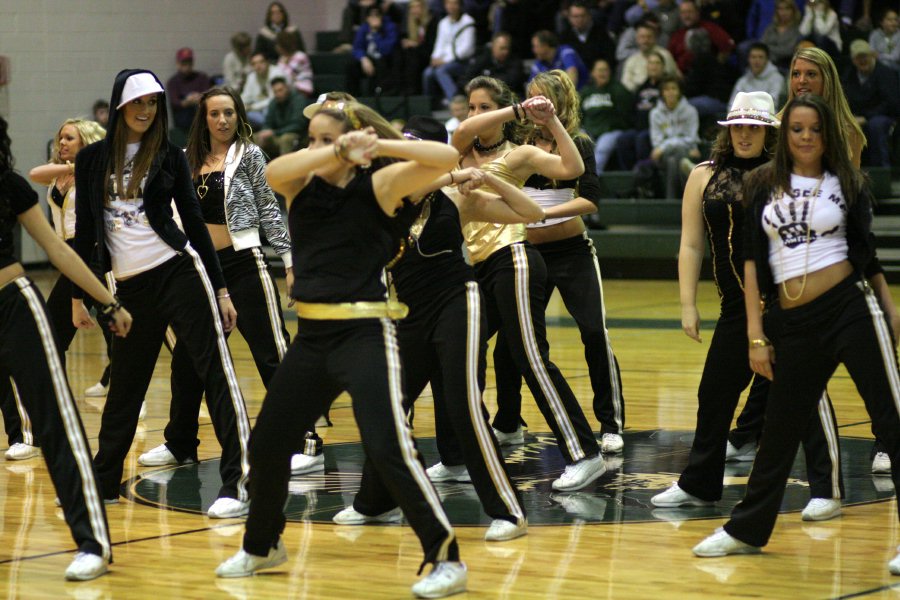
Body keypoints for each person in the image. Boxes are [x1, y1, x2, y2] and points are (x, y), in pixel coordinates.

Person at [214, 102, 469, 599]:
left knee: (388, 446)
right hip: (311, 340)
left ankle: (445, 558)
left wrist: (377, 146)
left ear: (356, 141)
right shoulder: (300, 185)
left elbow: (444, 157)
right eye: (311, 139)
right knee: (266, 446)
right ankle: (263, 545)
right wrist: (331, 149)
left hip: (365, 335)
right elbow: (273, 169)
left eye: (325, 138)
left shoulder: (380, 185)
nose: (314, 147)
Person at [691, 94, 900, 576]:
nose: (806, 137)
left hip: (849, 308)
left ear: (826, 136)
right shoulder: (762, 184)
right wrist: (756, 334)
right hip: (792, 322)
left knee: (890, 418)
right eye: (797, 129)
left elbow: (866, 257)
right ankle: (746, 530)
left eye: (815, 130)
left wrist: (889, 308)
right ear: (785, 136)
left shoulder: (847, 182)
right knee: (780, 430)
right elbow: (749, 260)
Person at [334, 115, 534, 543]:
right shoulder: (387, 197)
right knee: (388, 406)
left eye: (412, 146)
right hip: (406, 313)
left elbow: (530, 213)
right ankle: (376, 502)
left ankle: (508, 510)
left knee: (462, 404)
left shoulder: (456, 196)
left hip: (457, 300)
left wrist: (490, 179)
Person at [651, 92, 845, 521]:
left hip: (788, 302)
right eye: (737, 126)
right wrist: (687, 304)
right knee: (715, 393)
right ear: (727, 130)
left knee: (804, 395)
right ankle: (700, 484)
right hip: (735, 306)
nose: (744, 134)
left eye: (753, 127)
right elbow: (690, 243)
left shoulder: (788, 175)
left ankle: (827, 489)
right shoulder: (703, 176)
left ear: (767, 133)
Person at [72, 69, 252, 518]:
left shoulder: (170, 155)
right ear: (120, 107)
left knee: (215, 371)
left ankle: (239, 480)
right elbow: (87, 235)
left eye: (152, 103)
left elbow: (193, 225)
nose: (145, 111)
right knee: (125, 389)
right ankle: (103, 483)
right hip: (129, 287)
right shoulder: (92, 159)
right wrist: (83, 295)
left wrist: (222, 288)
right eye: (137, 103)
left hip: (178, 272)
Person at [448, 76, 605, 490]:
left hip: (515, 258)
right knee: (460, 355)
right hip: (477, 265)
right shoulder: (457, 151)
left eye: (485, 107)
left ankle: (584, 453)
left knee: (530, 356)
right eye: (471, 106)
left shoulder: (518, 154)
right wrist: (513, 110)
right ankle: (461, 453)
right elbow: (462, 131)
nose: (475, 115)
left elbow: (573, 169)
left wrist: (550, 121)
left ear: (502, 114)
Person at [0, 114, 131, 581]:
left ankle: (92, 540)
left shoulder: (8, 184)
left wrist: (106, 301)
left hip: (14, 307)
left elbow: (57, 250)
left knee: (56, 423)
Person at [136, 87, 293, 473]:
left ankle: (303, 438)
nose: (222, 120)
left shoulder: (251, 155)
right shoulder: (185, 160)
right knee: (188, 360)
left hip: (244, 264)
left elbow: (270, 211)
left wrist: (290, 262)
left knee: (272, 353)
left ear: (238, 116)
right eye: (214, 114)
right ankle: (181, 443)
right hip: (202, 270)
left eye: (229, 113)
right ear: (203, 119)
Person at [491, 69, 627, 454]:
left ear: (560, 101)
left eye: (542, 98)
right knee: (511, 342)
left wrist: (542, 212)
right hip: (527, 253)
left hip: (572, 252)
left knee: (593, 331)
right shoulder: (517, 140)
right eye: (530, 97)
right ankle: (508, 421)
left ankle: (610, 423)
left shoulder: (578, 142)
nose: (534, 105)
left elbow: (591, 199)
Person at [28, 119, 114, 399]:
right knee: (53, 334)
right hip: (69, 257)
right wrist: (73, 166)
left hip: (95, 256)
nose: (62, 143)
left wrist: (85, 166)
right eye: (60, 138)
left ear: (86, 142)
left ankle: (122, 390)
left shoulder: (96, 174)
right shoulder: (58, 174)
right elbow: (34, 173)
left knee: (112, 326)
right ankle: (57, 396)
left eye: (69, 139)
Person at [841, 39, 899, 168]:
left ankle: (881, 171)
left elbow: (892, 103)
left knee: (876, 125)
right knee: (844, 125)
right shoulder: (849, 75)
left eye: (865, 56)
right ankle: (849, 171)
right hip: (858, 116)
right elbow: (844, 99)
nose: (862, 60)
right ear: (853, 60)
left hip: (884, 116)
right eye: (858, 57)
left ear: (872, 55)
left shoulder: (885, 73)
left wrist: (866, 117)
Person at [649, 75, 700, 199]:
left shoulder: (690, 111)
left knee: (674, 161)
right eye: (667, 89)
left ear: (679, 91)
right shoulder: (655, 114)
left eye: (673, 88)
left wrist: (667, 145)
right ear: (662, 93)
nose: (670, 92)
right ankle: (687, 199)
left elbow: (691, 138)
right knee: (677, 159)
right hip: (664, 156)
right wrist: (669, 145)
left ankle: (670, 200)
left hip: (685, 151)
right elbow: (656, 141)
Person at [581, 58, 635, 171]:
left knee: (602, 148)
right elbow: (578, 115)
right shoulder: (586, 91)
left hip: (611, 131)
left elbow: (627, 112)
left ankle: (590, 182)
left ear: (610, 72)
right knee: (577, 140)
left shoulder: (617, 89)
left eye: (605, 70)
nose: (602, 73)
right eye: (599, 70)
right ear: (593, 73)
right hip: (589, 131)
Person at [616, 50, 666, 170]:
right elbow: (632, 110)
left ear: (663, 67)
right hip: (639, 128)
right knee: (623, 139)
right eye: (651, 63)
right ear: (647, 66)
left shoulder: (667, 86)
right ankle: (629, 175)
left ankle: (644, 174)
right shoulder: (641, 88)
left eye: (657, 63)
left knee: (641, 138)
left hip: (659, 130)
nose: (653, 66)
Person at [422, 0, 477, 107]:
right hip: (444, 61)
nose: (451, 6)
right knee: (427, 73)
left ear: (460, 5)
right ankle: (430, 105)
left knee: (441, 71)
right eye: (448, 3)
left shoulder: (468, 22)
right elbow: (439, 44)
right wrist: (434, 58)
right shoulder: (443, 23)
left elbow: (466, 49)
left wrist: (444, 61)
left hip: (462, 61)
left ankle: (455, 103)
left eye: (454, 3)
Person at [667, 0, 734, 74]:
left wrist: (717, 67)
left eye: (689, 12)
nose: (686, 16)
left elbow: (727, 45)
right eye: (683, 13)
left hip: (707, 73)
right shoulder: (677, 35)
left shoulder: (710, 28)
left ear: (697, 12)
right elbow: (670, 58)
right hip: (683, 75)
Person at [349, 5, 400, 95]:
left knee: (381, 64)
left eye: (377, 15)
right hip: (368, 59)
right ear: (367, 18)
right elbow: (357, 48)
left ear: (382, 17)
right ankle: (353, 97)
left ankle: (376, 95)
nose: (374, 18)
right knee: (352, 66)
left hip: (385, 59)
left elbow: (386, 49)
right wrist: (363, 59)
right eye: (371, 16)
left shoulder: (390, 27)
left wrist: (376, 32)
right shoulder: (363, 29)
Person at [166, 48, 211, 147]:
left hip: (202, 114)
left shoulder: (201, 77)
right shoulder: (173, 82)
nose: (187, 65)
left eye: (189, 62)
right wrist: (188, 101)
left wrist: (198, 98)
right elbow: (175, 102)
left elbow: (208, 95)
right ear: (178, 63)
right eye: (183, 63)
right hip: (183, 119)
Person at [557, 0, 617, 75]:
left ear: (589, 16)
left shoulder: (602, 34)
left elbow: (610, 59)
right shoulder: (564, 37)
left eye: (582, 16)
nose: (579, 20)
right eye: (575, 16)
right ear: (569, 18)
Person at [620, 20, 679, 93]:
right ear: (637, 39)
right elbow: (626, 84)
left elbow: (672, 77)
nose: (645, 40)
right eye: (642, 37)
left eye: (649, 37)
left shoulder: (665, 55)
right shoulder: (632, 60)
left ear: (655, 38)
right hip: (638, 96)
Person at [253, 77, 306, 159]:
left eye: (280, 90)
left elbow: (298, 125)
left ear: (287, 88)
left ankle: (284, 169)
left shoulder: (298, 100)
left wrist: (274, 132)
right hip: (277, 134)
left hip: (294, 134)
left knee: (286, 139)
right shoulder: (273, 102)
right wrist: (265, 131)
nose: (278, 94)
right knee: (254, 137)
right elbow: (267, 122)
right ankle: (255, 168)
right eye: (275, 92)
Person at [463, 31, 526, 96]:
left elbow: (510, 82)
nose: (506, 52)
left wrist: (484, 82)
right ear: (493, 47)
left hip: (508, 97)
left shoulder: (515, 62)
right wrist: (467, 86)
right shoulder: (483, 58)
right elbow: (467, 77)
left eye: (507, 48)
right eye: (502, 48)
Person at [730, 43, 786, 107]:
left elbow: (773, 104)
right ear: (748, 59)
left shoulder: (777, 79)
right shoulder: (743, 80)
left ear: (767, 60)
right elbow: (732, 105)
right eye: (753, 57)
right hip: (743, 116)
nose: (757, 61)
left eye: (760, 57)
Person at [241, 52, 286, 130]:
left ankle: (270, 129)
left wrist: (252, 107)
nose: (258, 66)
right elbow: (245, 96)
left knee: (267, 111)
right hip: (257, 110)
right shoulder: (251, 77)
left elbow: (274, 99)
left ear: (267, 62)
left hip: (276, 108)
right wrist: (241, 105)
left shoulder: (277, 73)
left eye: (261, 62)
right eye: (254, 64)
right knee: (241, 115)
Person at [760, 0, 803, 71]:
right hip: (766, 63)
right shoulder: (771, 28)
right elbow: (761, 46)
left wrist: (768, 49)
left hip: (784, 66)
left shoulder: (799, 29)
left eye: (787, 9)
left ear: (793, 10)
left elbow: (788, 51)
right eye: (780, 9)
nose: (783, 12)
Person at [275, 31, 314, 99]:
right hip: (288, 88)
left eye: (278, 45)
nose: (276, 47)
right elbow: (280, 75)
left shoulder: (300, 56)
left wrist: (284, 64)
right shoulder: (281, 58)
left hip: (302, 88)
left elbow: (290, 75)